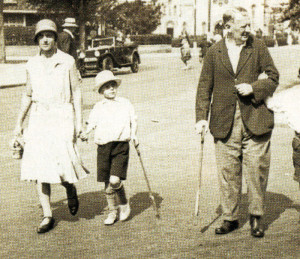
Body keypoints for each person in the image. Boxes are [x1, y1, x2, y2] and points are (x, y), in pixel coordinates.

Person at [195, 7, 279, 238]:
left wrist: (254, 87)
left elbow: (273, 77)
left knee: (256, 171)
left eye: (249, 26)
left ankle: (256, 217)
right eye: (244, 26)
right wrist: (201, 118)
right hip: (224, 122)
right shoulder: (214, 52)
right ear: (228, 27)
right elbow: (204, 87)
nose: (248, 30)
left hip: (255, 118)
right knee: (228, 172)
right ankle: (230, 218)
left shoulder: (257, 46)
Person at [13, 19, 89, 234]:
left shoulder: (67, 61)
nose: (45, 39)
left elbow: (76, 92)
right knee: (40, 168)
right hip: (39, 119)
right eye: (41, 36)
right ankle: (48, 215)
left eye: (49, 35)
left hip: (62, 116)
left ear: (56, 38)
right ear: (37, 39)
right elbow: (28, 94)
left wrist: (78, 121)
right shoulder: (31, 64)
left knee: (63, 166)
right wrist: (19, 122)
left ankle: (69, 189)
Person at [80, 70, 139, 225]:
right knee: (107, 183)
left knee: (114, 180)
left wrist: (134, 135)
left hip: (121, 145)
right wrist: (85, 133)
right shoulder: (98, 107)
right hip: (103, 147)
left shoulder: (125, 103)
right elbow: (91, 123)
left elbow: (134, 120)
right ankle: (113, 212)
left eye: (113, 85)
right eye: (107, 87)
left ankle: (124, 203)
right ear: (101, 91)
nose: (111, 89)